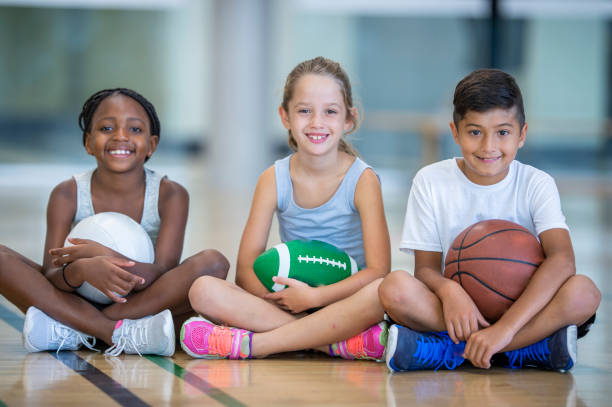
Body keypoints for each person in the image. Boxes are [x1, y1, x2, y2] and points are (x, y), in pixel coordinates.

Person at [380, 69, 601, 372]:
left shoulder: (536, 183)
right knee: (395, 288)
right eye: (475, 132)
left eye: (503, 132)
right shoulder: (430, 181)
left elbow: (563, 261)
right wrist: (450, 291)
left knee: (584, 292)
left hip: (523, 311)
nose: (488, 147)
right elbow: (426, 270)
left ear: (522, 134)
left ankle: (460, 349)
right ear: (455, 132)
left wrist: (505, 330)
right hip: (457, 312)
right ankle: (530, 349)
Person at [180, 56, 391, 360]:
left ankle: (257, 343)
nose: (317, 122)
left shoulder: (362, 180)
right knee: (202, 290)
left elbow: (378, 271)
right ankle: (333, 343)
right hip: (289, 300)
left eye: (330, 112)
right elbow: (245, 270)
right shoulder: (273, 179)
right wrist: (283, 299)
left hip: (345, 302)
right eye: (304, 110)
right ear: (285, 116)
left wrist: (316, 297)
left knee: (383, 291)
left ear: (348, 119)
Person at [0, 88, 229, 356]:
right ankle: (112, 332)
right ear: (88, 142)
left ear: (152, 144)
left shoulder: (171, 194)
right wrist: (83, 270)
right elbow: (52, 276)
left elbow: (163, 272)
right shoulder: (67, 193)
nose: (121, 136)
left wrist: (106, 255)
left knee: (213, 263)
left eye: (135, 129)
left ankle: (76, 328)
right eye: (107, 128)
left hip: (140, 301)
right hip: (73, 297)